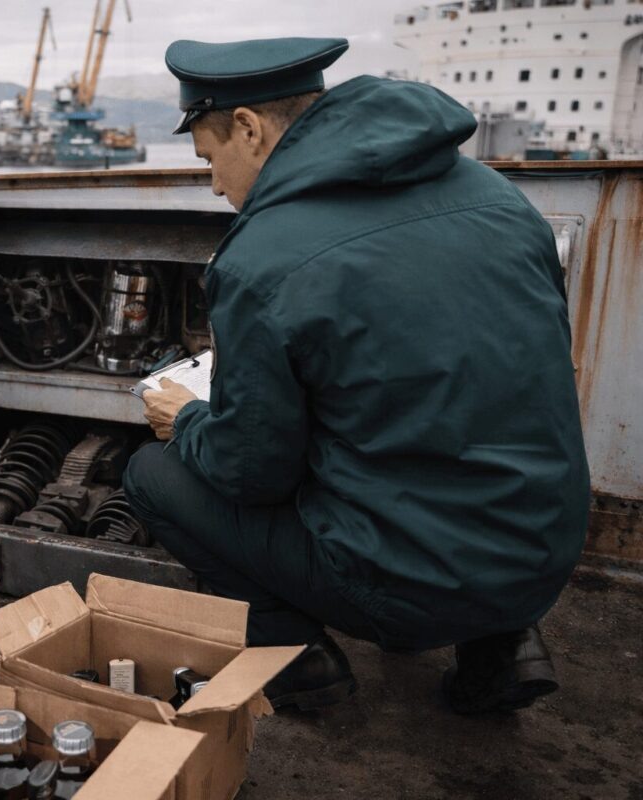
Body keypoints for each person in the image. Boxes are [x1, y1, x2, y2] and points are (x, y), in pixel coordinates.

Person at [123, 37, 590, 714]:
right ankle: (504, 650)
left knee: (153, 477)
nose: (216, 186)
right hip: (545, 552)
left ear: (249, 128)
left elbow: (252, 473)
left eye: (210, 160)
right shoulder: (499, 197)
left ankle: (297, 665)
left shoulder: (262, 259)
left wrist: (188, 420)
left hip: (404, 588)